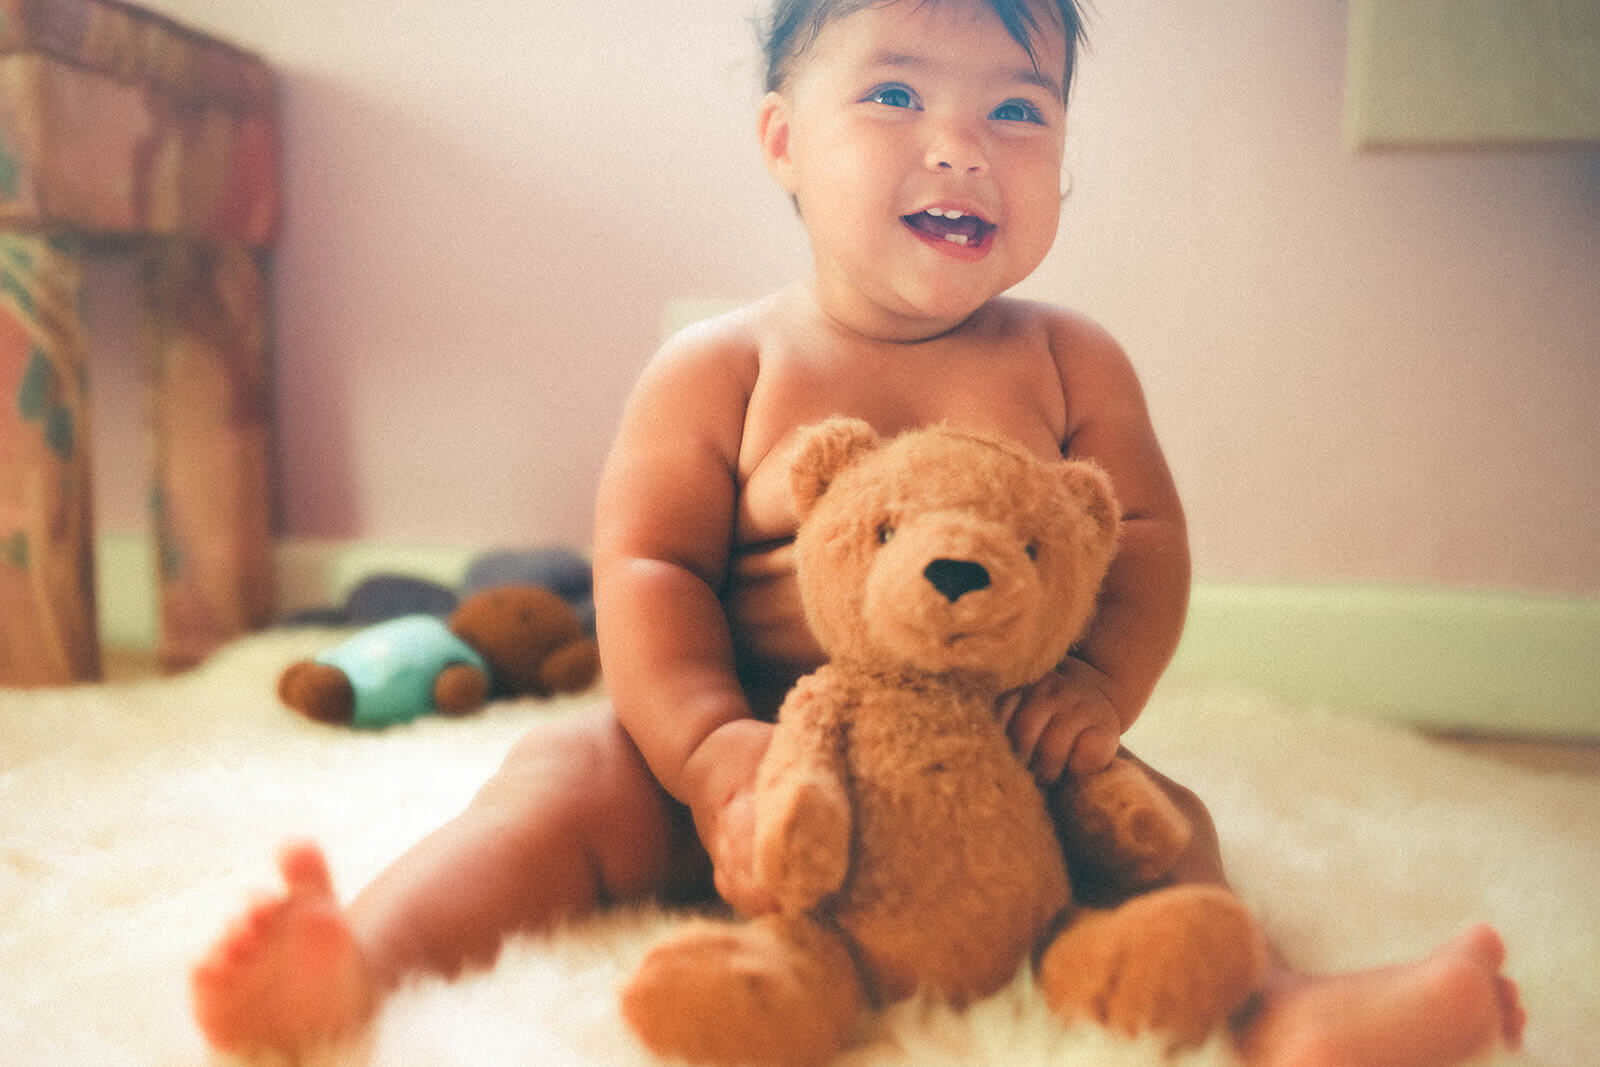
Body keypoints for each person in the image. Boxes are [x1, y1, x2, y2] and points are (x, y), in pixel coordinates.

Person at [192, 2, 1525, 1063]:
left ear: (1063, 155)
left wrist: (1096, 694)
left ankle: (1284, 1009)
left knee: (1164, 822)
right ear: (782, 139)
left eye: (1018, 109)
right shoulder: (725, 365)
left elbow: (1145, 539)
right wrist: (713, 752)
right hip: (741, 775)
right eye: (894, 94)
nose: (960, 145)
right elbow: (646, 567)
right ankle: (358, 961)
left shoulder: (1073, 364)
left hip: (992, 776)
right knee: (560, 777)